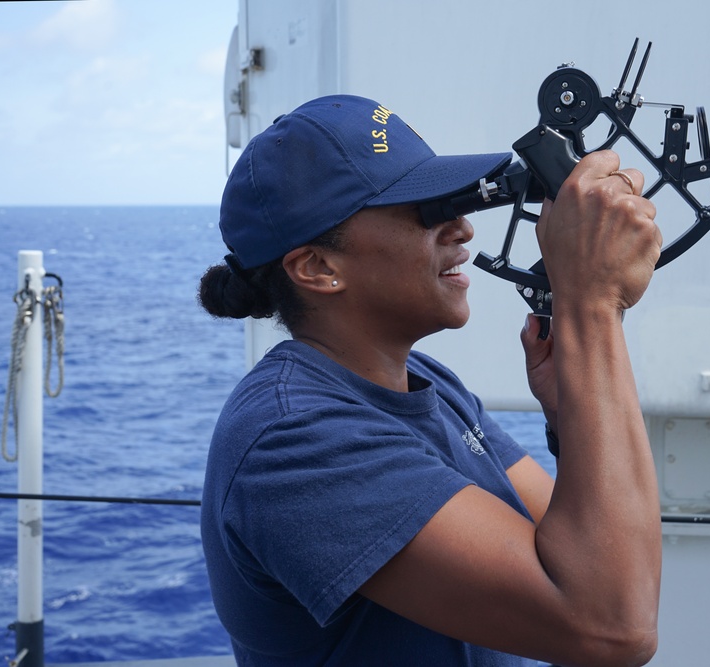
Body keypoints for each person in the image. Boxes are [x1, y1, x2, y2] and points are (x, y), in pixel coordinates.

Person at [198, 94, 662, 667]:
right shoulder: (293, 441)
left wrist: (573, 406)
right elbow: (612, 622)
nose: (462, 228)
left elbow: (602, 553)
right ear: (318, 267)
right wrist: (592, 305)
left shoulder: (428, 383)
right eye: (427, 211)